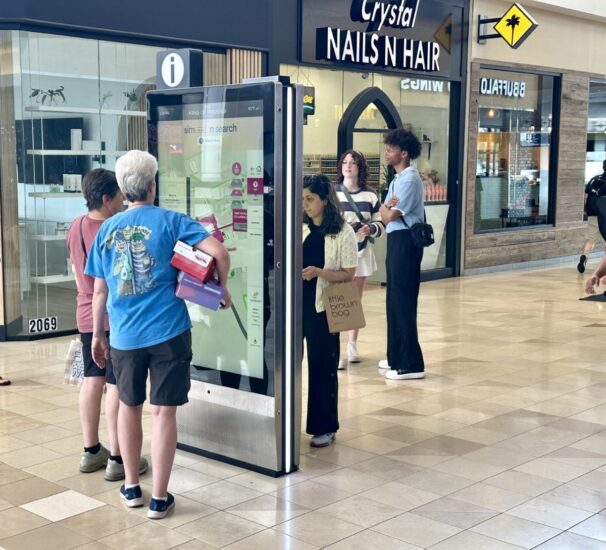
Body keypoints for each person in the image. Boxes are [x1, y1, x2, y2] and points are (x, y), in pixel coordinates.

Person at [86, 150, 231, 519]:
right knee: (164, 413)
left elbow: (99, 290)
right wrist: (222, 287)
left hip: (124, 336)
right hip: (169, 332)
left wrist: (98, 334)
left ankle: (132, 486)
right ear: (152, 185)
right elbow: (218, 251)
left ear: (122, 188)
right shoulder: (171, 221)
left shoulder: (106, 229)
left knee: (128, 407)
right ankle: (159, 499)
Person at [66, 168, 149, 480]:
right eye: (118, 195)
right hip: (114, 317)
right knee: (115, 383)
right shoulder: (115, 229)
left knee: (92, 379)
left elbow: (78, 272)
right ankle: (117, 456)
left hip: (85, 312)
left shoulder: (75, 226)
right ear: (106, 198)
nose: (122, 200)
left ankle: (90, 451)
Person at [302, 174, 358, 447]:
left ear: (325, 200)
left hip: (323, 307)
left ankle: (324, 426)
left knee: (322, 366)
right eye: (302, 199)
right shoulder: (298, 227)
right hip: (296, 305)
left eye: (310, 199)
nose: (306, 205)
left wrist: (318, 272)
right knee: (289, 365)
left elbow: (349, 273)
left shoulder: (342, 231)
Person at [378, 128, 426, 381]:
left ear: (404, 153)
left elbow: (388, 215)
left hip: (406, 242)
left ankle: (411, 363)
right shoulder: (398, 178)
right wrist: (386, 208)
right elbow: (384, 213)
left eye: (391, 149)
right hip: (396, 240)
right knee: (394, 299)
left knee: (403, 301)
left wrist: (386, 208)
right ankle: (396, 355)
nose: (387, 153)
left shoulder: (408, 179)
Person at [334, 150, 384, 369]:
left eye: (353, 163)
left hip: (362, 252)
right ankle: (335, 350)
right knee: (336, 299)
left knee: (354, 299)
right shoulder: (333, 192)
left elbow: (381, 223)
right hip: (337, 253)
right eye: (345, 162)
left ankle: (352, 345)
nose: (348, 166)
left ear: (360, 168)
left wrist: (370, 228)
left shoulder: (370, 195)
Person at [578, 159, 606, 273]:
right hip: (605, 214)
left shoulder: (594, 179)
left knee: (591, 238)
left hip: (593, 213)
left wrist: (588, 210)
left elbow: (586, 196)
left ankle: (584, 256)